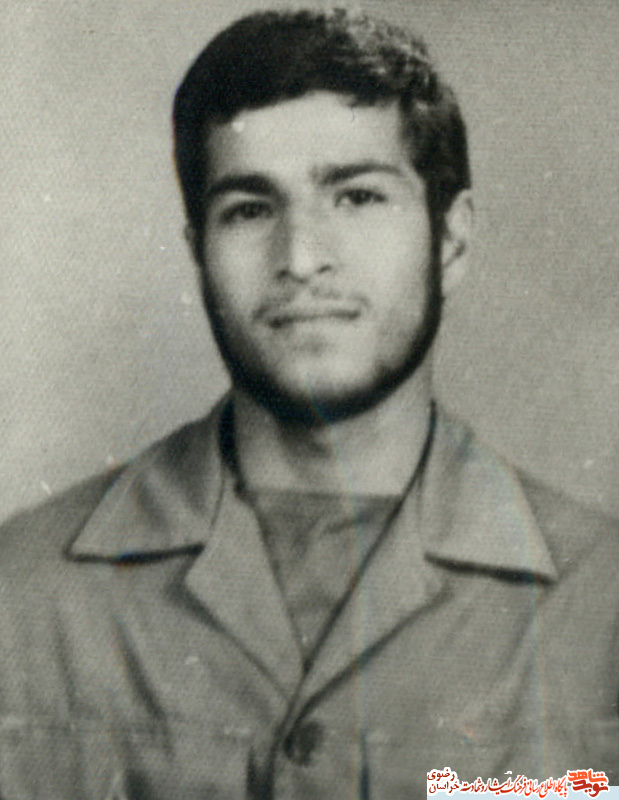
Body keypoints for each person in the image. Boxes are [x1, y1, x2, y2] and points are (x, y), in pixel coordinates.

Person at [0, 8, 617, 799]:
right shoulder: (21, 596)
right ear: (198, 253)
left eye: (356, 197)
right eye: (249, 209)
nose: (300, 257)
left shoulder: (601, 603)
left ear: (450, 241)